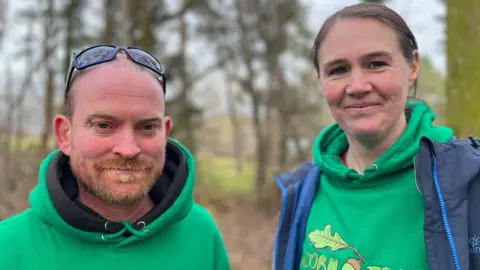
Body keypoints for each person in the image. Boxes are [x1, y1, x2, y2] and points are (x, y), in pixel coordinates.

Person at [272, 3, 480, 270]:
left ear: (413, 66)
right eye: (338, 70)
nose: (357, 86)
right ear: (321, 81)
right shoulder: (300, 192)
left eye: (376, 64)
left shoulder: (469, 179)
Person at [0, 45, 230, 269]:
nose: (128, 149)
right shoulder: (9, 246)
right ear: (65, 135)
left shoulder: (200, 233)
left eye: (148, 127)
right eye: (103, 125)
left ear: (166, 133)